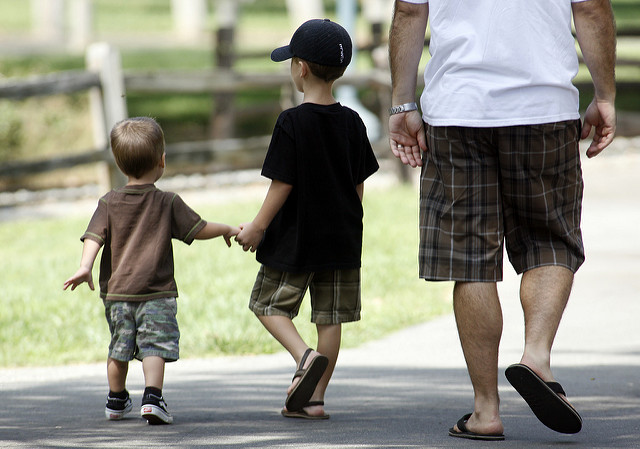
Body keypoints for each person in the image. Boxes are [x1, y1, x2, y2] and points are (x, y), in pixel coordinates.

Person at [388, 0, 616, 440]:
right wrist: (604, 95)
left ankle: (486, 410)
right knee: (550, 240)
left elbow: (409, 12)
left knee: (469, 257)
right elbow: (590, 7)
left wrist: (402, 104)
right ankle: (536, 356)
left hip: (457, 110)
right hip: (544, 106)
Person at [235, 19, 379, 420]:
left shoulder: (291, 122)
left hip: (295, 240)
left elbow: (282, 183)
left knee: (267, 305)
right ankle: (315, 399)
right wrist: (349, 222)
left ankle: (303, 355)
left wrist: (258, 227)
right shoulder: (353, 122)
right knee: (331, 318)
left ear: (300, 68)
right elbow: (358, 185)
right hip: (342, 239)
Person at [63, 117, 240, 425]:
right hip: (157, 292)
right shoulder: (167, 201)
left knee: (120, 346)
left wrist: (84, 267)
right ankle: (152, 398)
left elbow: (94, 236)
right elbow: (197, 229)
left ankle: (116, 399)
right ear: (162, 161)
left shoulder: (108, 202)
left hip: (117, 294)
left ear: (120, 165)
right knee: (154, 345)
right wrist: (225, 227)